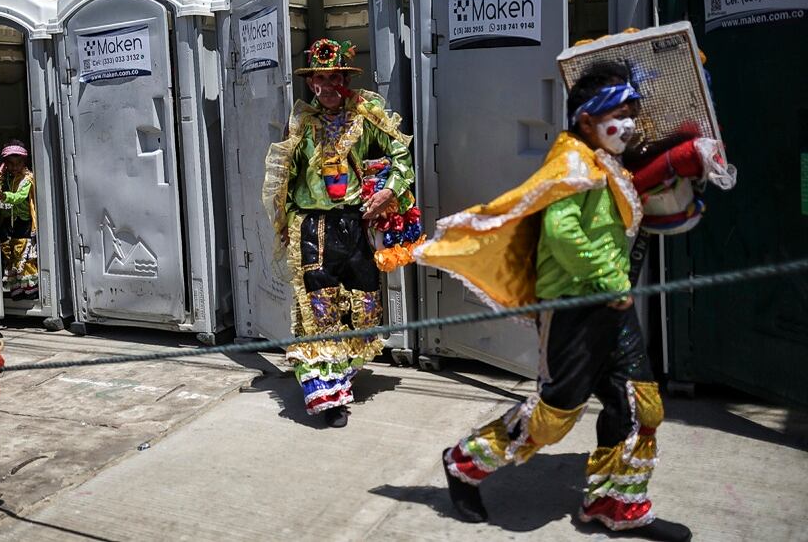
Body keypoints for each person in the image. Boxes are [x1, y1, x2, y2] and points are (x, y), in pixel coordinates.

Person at [415, 61, 691, 542]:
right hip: (574, 311)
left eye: (633, 113)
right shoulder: (571, 167)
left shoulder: (606, 160)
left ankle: (614, 503)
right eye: (619, 115)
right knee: (553, 419)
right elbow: (564, 237)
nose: (630, 124)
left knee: (639, 406)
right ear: (586, 119)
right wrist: (611, 281)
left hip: (613, 307)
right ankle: (464, 462)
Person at [262, 38, 415, 427]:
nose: (327, 86)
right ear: (311, 83)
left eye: (334, 78)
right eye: (320, 79)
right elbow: (285, 179)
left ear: (345, 80)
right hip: (313, 227)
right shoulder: (301, 125)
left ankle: (341, 377)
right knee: (320, 312)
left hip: (356, 225)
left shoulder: (366, 119)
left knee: (363, 308)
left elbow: (401, 157)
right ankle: (327, 397)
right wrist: (285, 222)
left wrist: (388, 192)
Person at [0, 141, 39, 301]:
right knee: (9, 253)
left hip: (23, 221)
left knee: (23, 252)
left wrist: (3, 196)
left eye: (18, 163)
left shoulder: (27, 178)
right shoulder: (5, 178)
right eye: (10, 163)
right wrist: (0, 172)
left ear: (24, 162)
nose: (14, 167)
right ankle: (16, 289)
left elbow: (19, 197)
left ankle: (30, 289)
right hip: (7, 221)